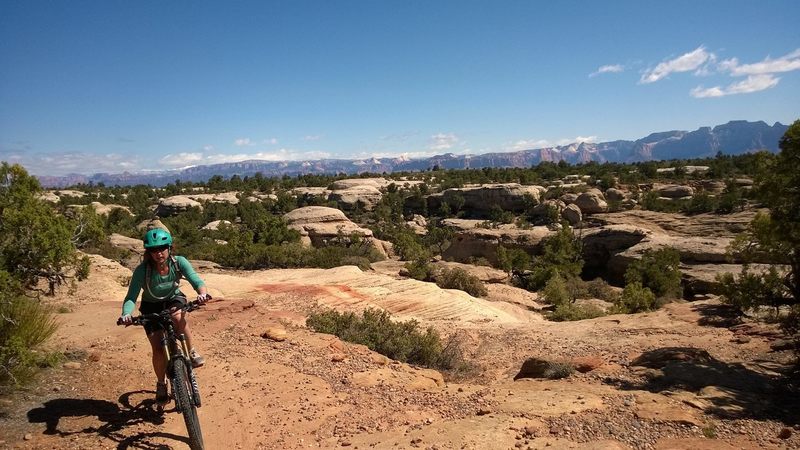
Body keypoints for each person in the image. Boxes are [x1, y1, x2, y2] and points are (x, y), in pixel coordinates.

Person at [119, 228, 210, 403]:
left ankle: (190, 351)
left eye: (162, 248)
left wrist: (202, 293)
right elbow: (131, 297)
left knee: (177, 317)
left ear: (169, 247)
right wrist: (126, 314)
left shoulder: (178, 262)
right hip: (150, 306)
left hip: (173, 299)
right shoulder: (142, 271)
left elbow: (195, 279)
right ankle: (161, 383)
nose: (158, 253)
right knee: (158, 348)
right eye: (154, 250)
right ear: (149, 252)